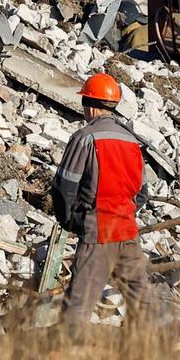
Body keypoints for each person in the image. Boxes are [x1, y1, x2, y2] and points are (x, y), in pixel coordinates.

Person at [51, 71, 151, 324]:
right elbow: (142, 193)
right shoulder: (134, 141)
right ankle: (161, 351)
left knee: (79, 302)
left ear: (90, 106)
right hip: (127, 229)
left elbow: (64, 186)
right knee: (141, 299)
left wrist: (71, 221)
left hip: (98, 229)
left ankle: (64, 355)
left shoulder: (85, 138)